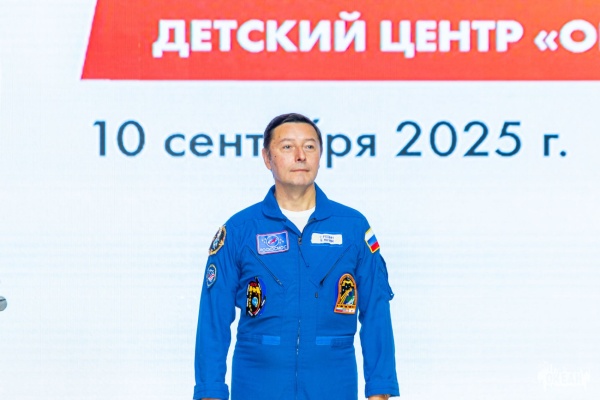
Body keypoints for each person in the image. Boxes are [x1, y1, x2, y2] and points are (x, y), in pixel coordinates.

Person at [193, 113, 399, 400]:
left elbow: (376, 310)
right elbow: (213, 318)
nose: (300, 155)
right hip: (257, 385)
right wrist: (210, 391)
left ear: (320, 156)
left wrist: (380, 388)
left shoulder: (352, 227)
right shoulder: (241, 230)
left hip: (332, 385)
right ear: (267, 158)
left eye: (310, 146)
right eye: (288, 146)